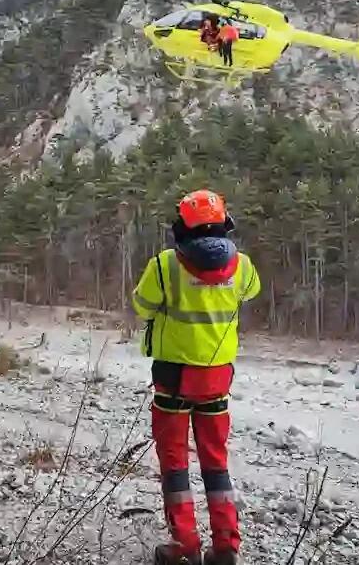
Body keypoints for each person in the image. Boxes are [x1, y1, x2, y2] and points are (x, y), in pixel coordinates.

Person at [133, 190, 262, 565]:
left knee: (174, 461)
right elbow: (250, 292)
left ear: (180, 227)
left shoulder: (164, 266)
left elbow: (141, 304)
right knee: (215, 462)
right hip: (218, 379)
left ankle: (185, 544)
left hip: (174, 377)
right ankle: (225, 546)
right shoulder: (244, 266)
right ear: (226, 223)